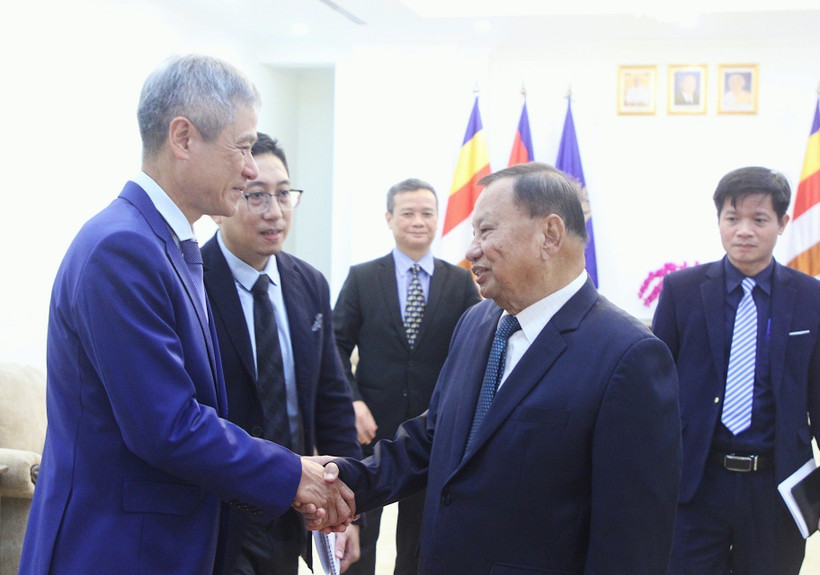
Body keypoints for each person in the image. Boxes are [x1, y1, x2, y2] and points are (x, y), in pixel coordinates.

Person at [19, 55, 353, 575]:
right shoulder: (122, 249)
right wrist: (292, 474)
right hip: (117, 548)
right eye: (242, 146)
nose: (250, 167)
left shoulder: (167, 243)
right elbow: (167, 425)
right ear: (183, 138)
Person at [328, 162, 682, 574]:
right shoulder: (477, 323)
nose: (471, 250)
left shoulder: (629, 357)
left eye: (486, 231)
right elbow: (435, 438)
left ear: (550, 235)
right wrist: (344, 479)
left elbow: (630, 545)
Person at [203, 133, 362, 574]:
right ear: (223, 200)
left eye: (284, 194)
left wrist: (349, 507)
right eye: (255, 195)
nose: (274, 211)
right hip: (218, 513)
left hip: (292, 511)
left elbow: (332, 402)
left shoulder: (309, 285)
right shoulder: (190, 282)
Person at [653, 166, 820, 575]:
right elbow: (655, 387)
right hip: (696, 483)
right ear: (719, 221)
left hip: (777, 485)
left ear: (782, 223)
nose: (744, 231)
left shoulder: (810, 297)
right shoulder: (681, 291)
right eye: (732, 218)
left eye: (759, 219)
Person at [333, 178, 480, 575]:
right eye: (408, 213)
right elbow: (335, 345)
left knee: (419, 541)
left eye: (427, 213)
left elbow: (473, 350)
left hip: (433, 432)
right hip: (370, 429)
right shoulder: (363, 278)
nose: (418, 221)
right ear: (389, 218)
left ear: (438, 219)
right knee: (360, 529)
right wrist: (352, 400)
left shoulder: (461, 282)